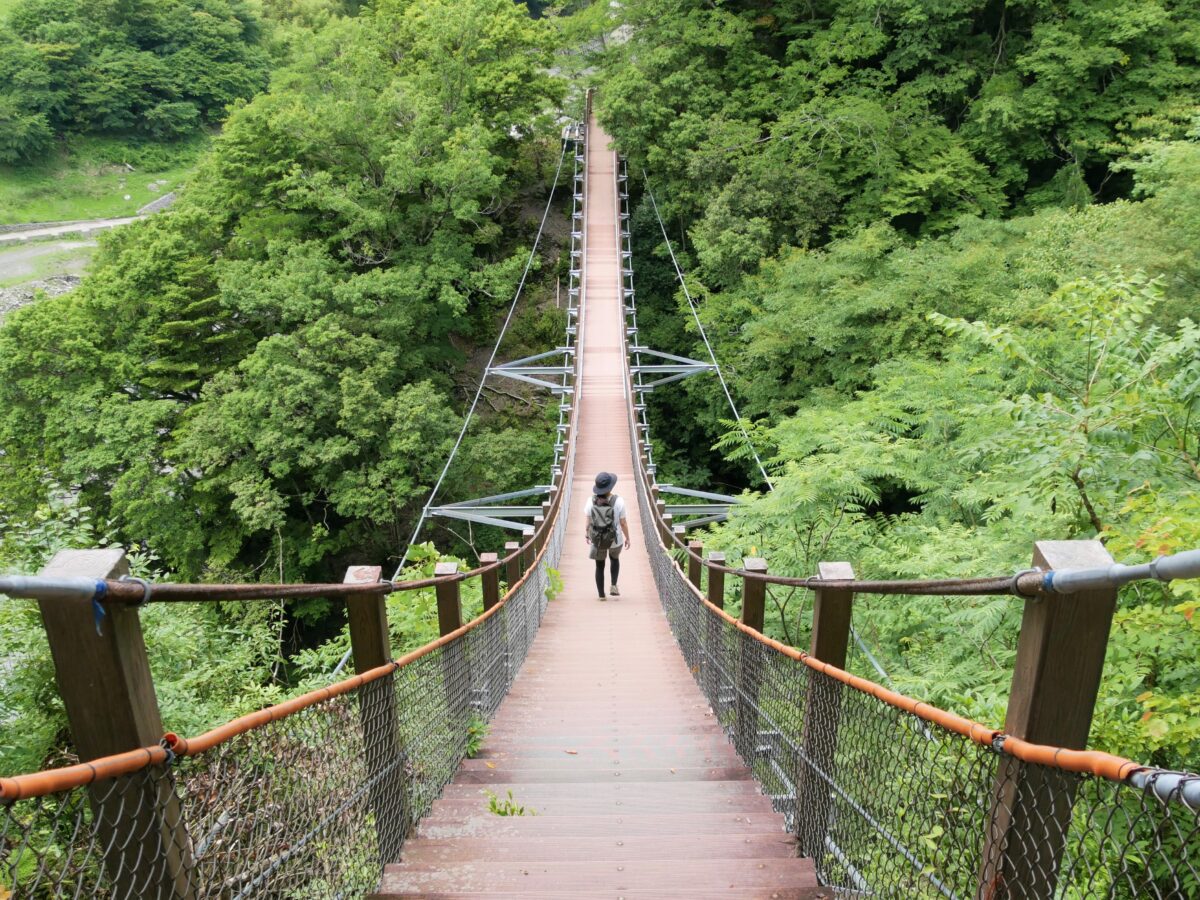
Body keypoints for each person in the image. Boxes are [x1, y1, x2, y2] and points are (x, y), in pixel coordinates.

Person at [584, 471, 631, 600]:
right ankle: (614, 586)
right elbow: (623, 522)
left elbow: (588, 519)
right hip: (615, 538)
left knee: (599, 565)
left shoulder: (591, 500)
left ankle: (601, 595)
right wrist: (628, 538)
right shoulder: (619, 501)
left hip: (598, 538)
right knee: (614, 559)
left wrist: (587, 534)